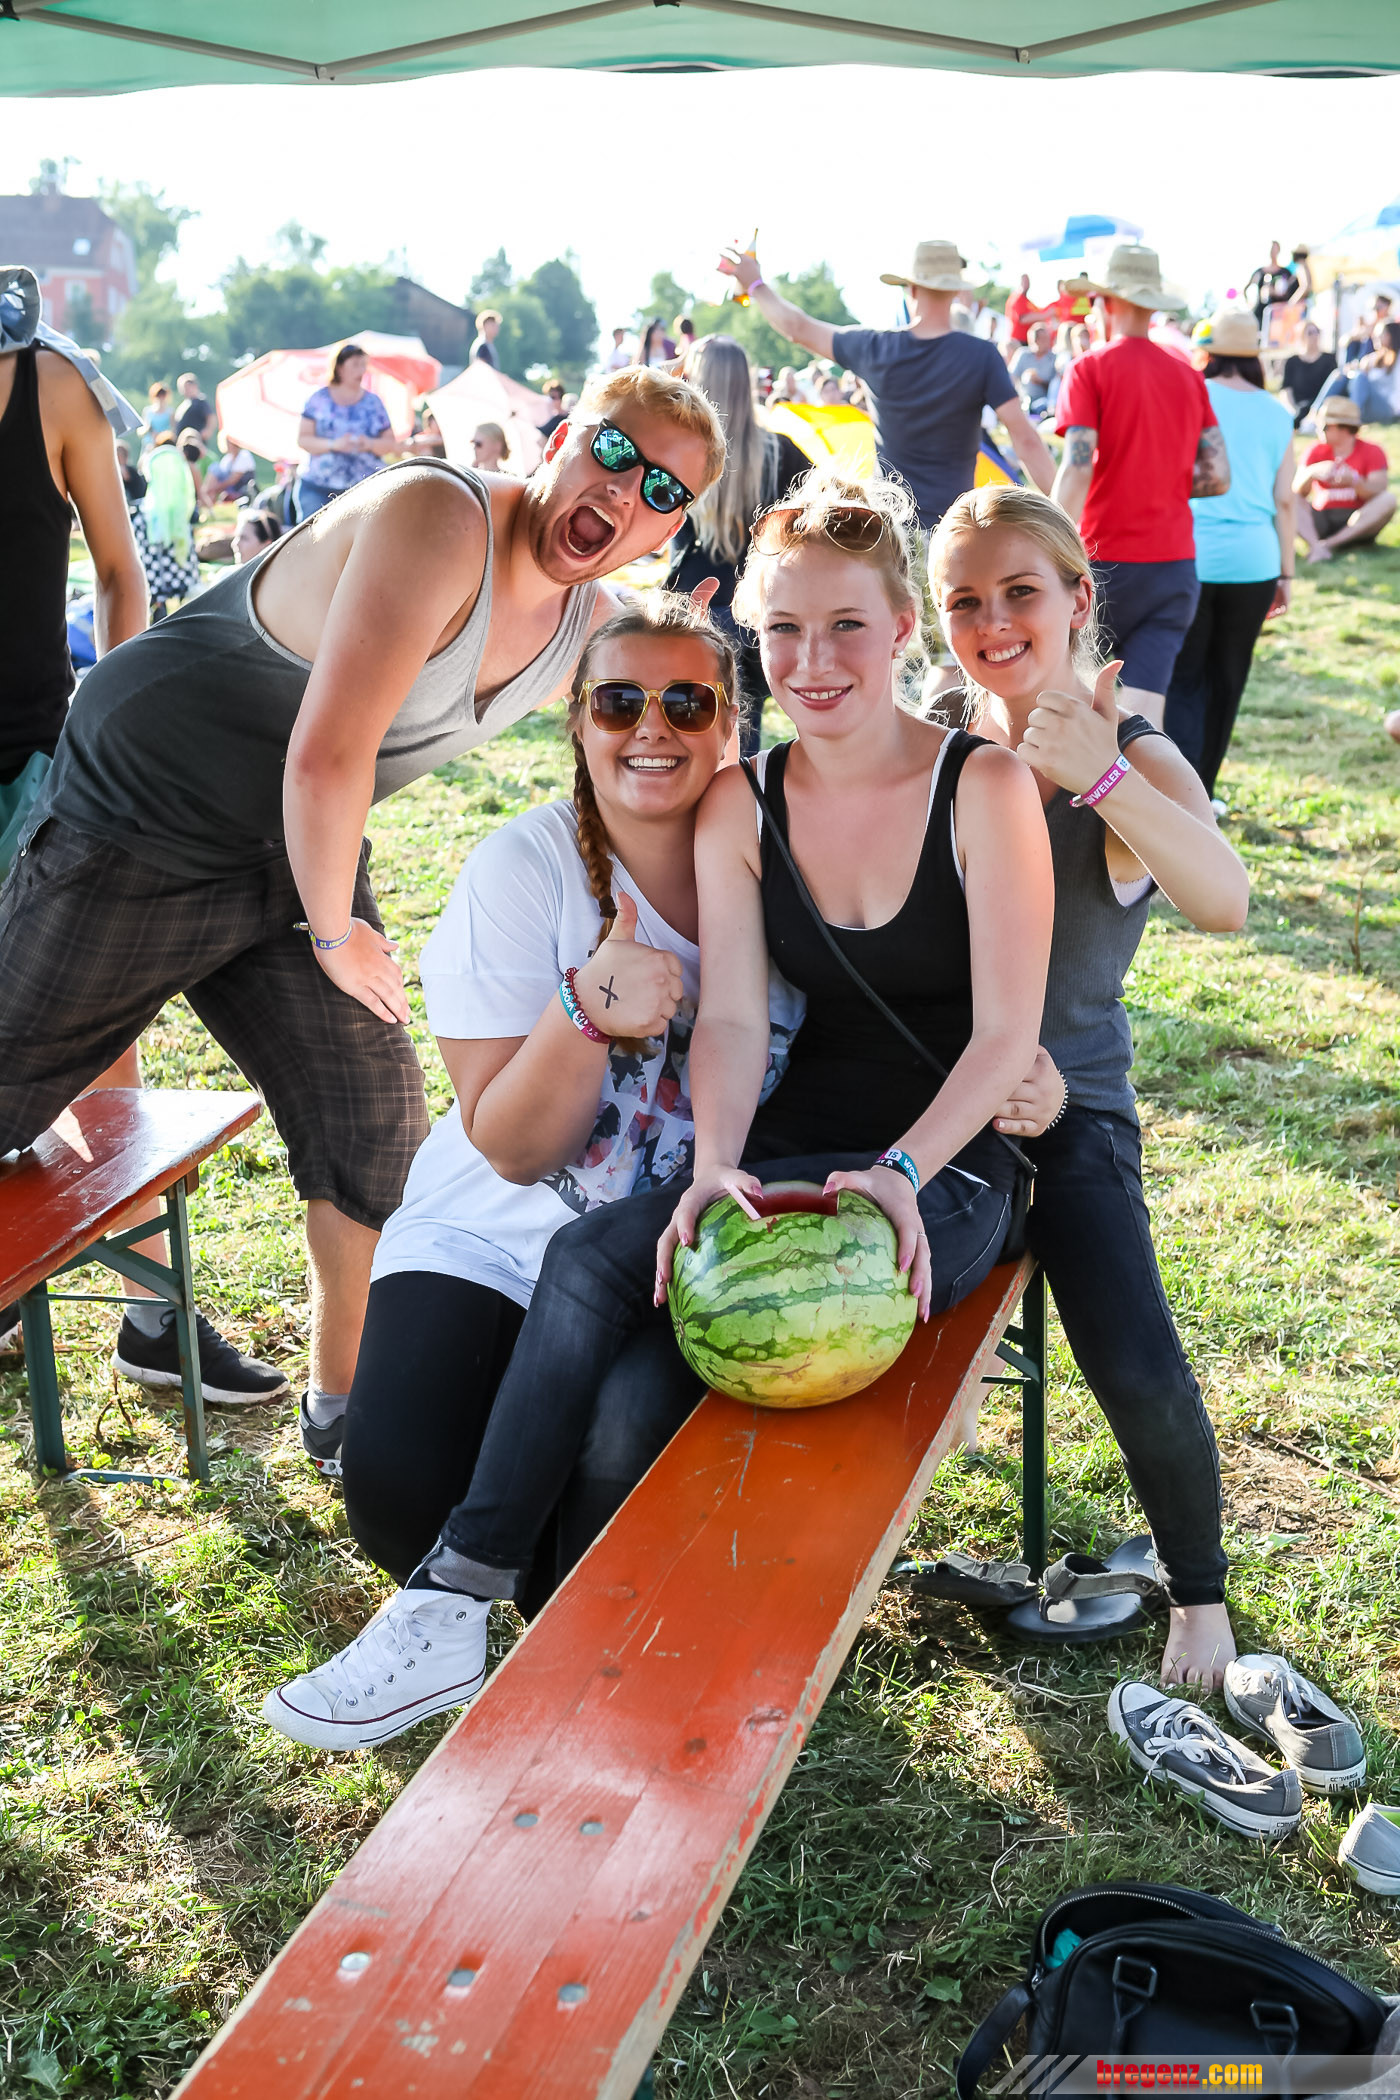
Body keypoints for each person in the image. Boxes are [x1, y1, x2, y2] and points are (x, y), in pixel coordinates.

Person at [267, 468, 1055, 1748]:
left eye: (844, 625)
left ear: (900, 628)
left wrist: (909, 1169)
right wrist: (712, 1160)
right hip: (748, 1159)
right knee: (570, 1297)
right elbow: (730, 1019)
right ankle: (460, 1601)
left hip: (940, 1161)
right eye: (784, 628)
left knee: (637, 1405)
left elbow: (1011, 1028)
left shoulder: (978, 786)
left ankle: (605, 1646)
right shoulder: (731, 809)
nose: (814, 658)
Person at [0, 365, 725, 1453]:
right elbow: (327, 756)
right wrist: (336, 934)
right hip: (146, 803)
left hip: (295, 846)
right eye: (613, 453)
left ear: (669, 528)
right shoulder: (437, 515)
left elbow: (673, 725)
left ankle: (345, 1407)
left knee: (373, 1127)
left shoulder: (589, 623)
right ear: (560, 439)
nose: (626, 493)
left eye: (663, 491)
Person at [932, 482, 1249, 1686]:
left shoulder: (1131, 748)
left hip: (1070, 1107)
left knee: (1126, 1345)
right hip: (935, 1099)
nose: (990, 621)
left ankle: (1198, 1594)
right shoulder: (933, 740)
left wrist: (1099, 772)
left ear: (1076, 599)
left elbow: (1222, 900)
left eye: (1019, 592)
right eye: (962, 599)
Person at [0, 268, 281, 1399]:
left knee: (99, 1037)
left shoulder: (50, 385)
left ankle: (151, 1317)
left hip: (40, 763)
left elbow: (123, 575)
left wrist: (108, 732)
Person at [721, 238, 1055, 536]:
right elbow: (1026, 440)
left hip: (893, 531)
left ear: (911, 289)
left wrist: (756, 284)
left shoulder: (875, 348)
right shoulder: (981, 356)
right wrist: (1065, 516)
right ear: (956, 290)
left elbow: (798, 328)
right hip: (954, 532)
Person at [1052, 244, 1231, 728]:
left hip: (1103, 562)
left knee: (1075, 706)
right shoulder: (1188, 375)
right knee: (1143, 719)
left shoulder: (1089, 368)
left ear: (1106, 302)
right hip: (1174, 565)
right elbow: (1218, 476)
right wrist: (1161, 481)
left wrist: (1044, 540)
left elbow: (1078, 466)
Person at [1163, 310, 1295, 801]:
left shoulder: (1190, 394)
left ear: (1208, 352)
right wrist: (1287, 573)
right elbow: (1285, 500)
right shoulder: (1278, 413)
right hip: (1255, 562)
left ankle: (1178, 795)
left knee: (1183, 679)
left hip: (1189, 554)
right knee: (1228, 680)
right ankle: (1207, 793)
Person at [664, 334, 810, 755]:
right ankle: (742, 795)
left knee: (688, 730)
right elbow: (820, 514)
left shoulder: (679, 451)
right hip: (758, 606)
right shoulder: (781, 453)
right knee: (744, 731)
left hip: (695, 602)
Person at [296, 342, 396, 519]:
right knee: (313, 536)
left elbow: (390, 443)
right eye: (355, 365)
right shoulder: (317, 400)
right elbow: (303, 440)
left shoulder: (374, 403)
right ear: (339, 368)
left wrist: (369, 443)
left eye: (363, 365)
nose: (361, 371)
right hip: (318, 488)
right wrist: (334, 444)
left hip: (366, 489)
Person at [1293, 396, 1396, 564]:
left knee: (1388, 499)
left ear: (1343, 428)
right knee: (1284, 496)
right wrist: (1312, 473)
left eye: (1325, 426)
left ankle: (1328, 545)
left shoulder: (1372, 451)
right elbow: (1296, 492)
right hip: (1322, 517)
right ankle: (1316, 546)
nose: (1319, 429)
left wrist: (1354, 481)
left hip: (1357, 519)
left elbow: (1379, 489)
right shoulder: (1314, 450)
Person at [138, 434, 202, 617]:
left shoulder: (147, 514)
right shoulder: (179, 511)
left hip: (158, 568)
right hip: (174, 569)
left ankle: (161, 601)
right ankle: (166, 602)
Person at [1280, 320, 1336, 428]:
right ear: (1301, 336)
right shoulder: (1292, 361)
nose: (1314, 336)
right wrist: (1293, 409)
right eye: (1310, 333)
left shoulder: (1329, 359)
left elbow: (1332, 387)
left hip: (1320, 406)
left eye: (1317, 332)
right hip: (1299, 406)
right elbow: (1286, 389)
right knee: (1300, 411)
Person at [1011, 322, 1058, 419]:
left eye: (1046, 338)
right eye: (1040, 339)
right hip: (1022, 400)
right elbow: (1012, 376)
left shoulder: (1054, 358)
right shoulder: (1023, 354)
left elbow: (1056, 386)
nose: (1045, 342)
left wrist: (1039, 381)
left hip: (1044, 402)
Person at [201, 437, 257, 508]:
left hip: (241, 488)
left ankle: (205, 496)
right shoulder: (227, 458)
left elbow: (233, 480)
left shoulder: (244, 455)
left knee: (215, 470)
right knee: (214, 468)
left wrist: (215, 488)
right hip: (230, 488)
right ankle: (207, 498)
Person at [1006, 273, 1053, 346]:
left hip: (1027, 340)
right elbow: (1023, 319)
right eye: (1024, 282)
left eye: (1028, 282)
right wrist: (1045, 315)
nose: (1027, 285)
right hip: (1018, 341)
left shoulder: (1027, 301)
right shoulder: (1017, 298)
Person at [173, 371, 215, 446]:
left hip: (196, 444)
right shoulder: (184, 404)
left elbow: (211, 418)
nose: (184, 390)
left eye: (187, 387)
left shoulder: (201, 402)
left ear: (194, 386)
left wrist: (207, 432)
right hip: (183, 444)